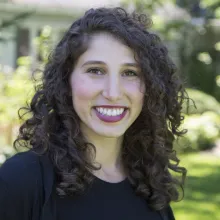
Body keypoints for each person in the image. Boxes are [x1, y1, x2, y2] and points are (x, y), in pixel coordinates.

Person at [0, 7, 187, 220]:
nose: (113, 93)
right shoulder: (21, 181)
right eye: (95, 71)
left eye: (130, 73)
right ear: (66, 81)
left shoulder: (150, 186)